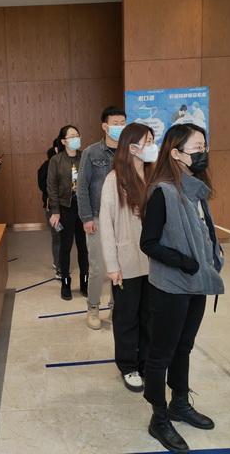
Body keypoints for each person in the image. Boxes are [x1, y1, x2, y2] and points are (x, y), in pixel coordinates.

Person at [139, 123, 224, 454]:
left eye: (205, 147)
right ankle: (159, 418)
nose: (203, 153)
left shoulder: (194, 189)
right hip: (171, 287)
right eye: (197, 148)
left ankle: (179, 403)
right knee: (160, 355)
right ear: (175, 153)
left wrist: (212, 254)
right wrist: (185, 262)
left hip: (196, 285)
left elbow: (203, 231)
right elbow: (149, 243)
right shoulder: (162, 192)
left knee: (183, 348)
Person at [99, 123, 157, 393]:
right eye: (148, 141)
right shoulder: (115, 180)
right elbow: (106, 224)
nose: (152, 146)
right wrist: (112, 265)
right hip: (126, 261)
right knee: (126, 317)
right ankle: (128, 365)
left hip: (154, 261)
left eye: (153, 140)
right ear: (132, 146)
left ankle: (146, 362)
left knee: (150, 316)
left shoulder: (154, 175)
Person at [77, 106, 126, 330]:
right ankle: (93, 307)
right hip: (97, 217)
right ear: (105, 126)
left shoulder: (129, 150)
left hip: (123, 219)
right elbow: (82, 187)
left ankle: (116, 307)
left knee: (121, 266)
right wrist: (87, 217)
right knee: (97, 267)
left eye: (123, 123)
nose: (120, 127)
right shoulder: (91, 152)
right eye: (115, 123)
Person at [47, 125, 89, 301]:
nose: (75, 139)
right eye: (71, 136)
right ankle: (66, 282)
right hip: (65, 208)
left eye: (77, 135)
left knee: (84, 247)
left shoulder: (85, 156)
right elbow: (52, 187)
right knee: (65, 247)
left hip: (84, 208)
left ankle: (85, 282)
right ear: (64, 141)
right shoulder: (56, 160)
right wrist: (55, 211)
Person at [38, 141, 61, 279]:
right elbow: (43, 186)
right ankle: (59, 268)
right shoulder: (46, 166)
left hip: (67, 207)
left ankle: (58, 262)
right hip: (52, 207)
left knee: (63, 237)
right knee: (57, 236)